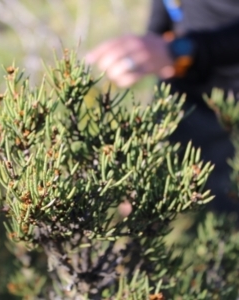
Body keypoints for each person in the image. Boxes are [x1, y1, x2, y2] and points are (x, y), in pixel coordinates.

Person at [86, 0, 239, 212]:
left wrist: (179, 49)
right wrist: (154, 36)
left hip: (230, 105)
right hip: (178, 95)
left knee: (224, 210)